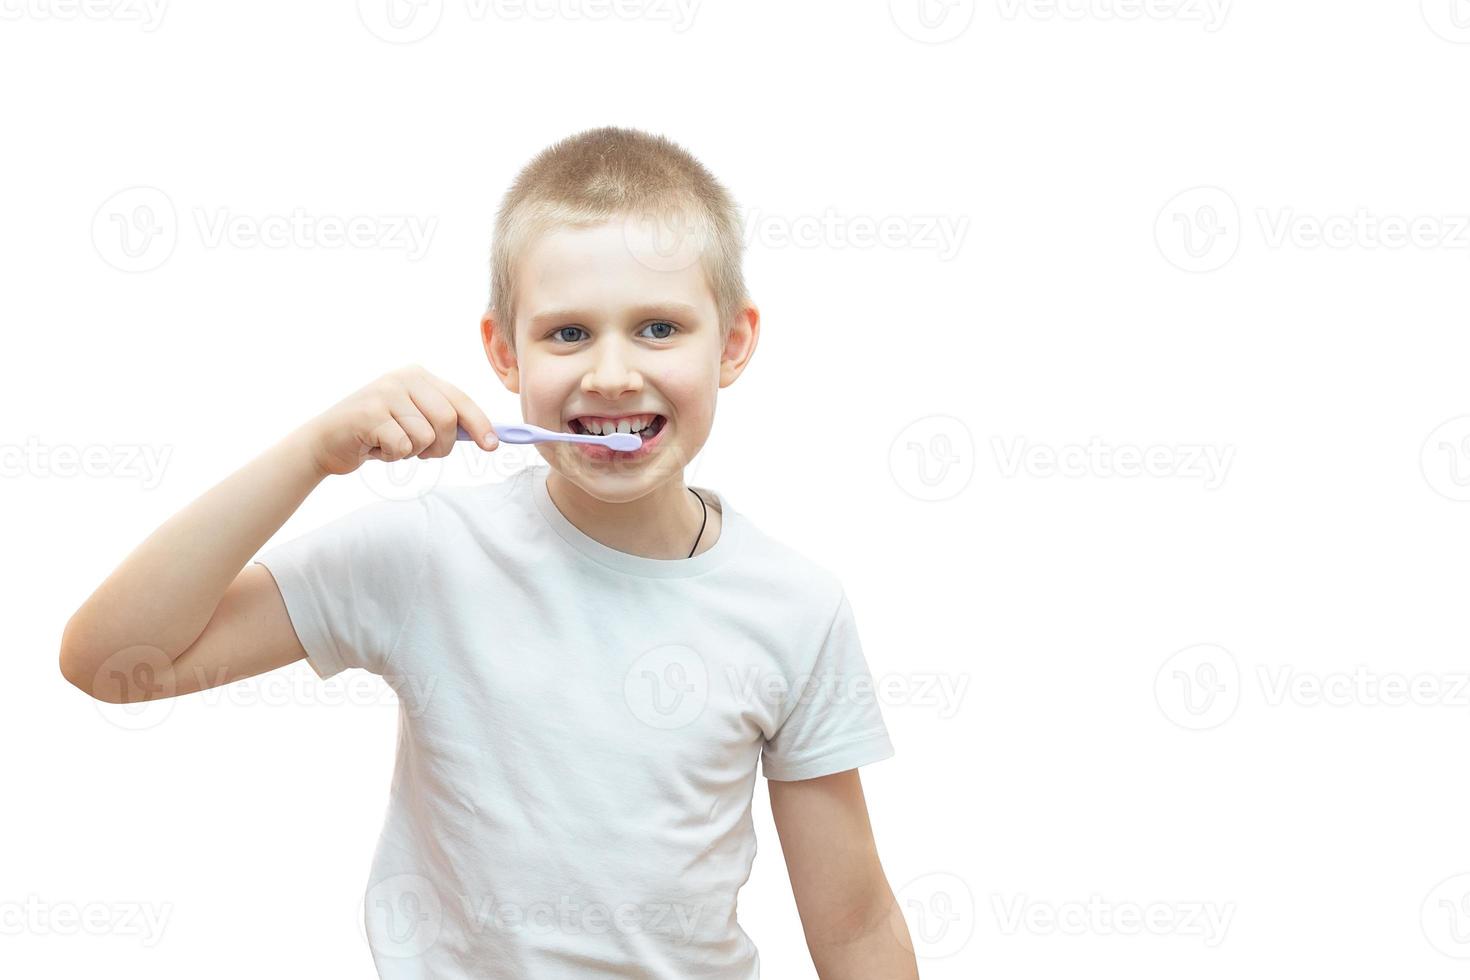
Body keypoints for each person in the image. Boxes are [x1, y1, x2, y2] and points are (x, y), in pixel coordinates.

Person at [59, 125, 918, 979]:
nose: (613, 374)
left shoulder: (796, 608)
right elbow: (113, 662)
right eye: (568, 334)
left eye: (659, 328)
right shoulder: (428, 555)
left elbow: (853, 926)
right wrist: (311, 455)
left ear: (732, 344)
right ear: (505, 353)